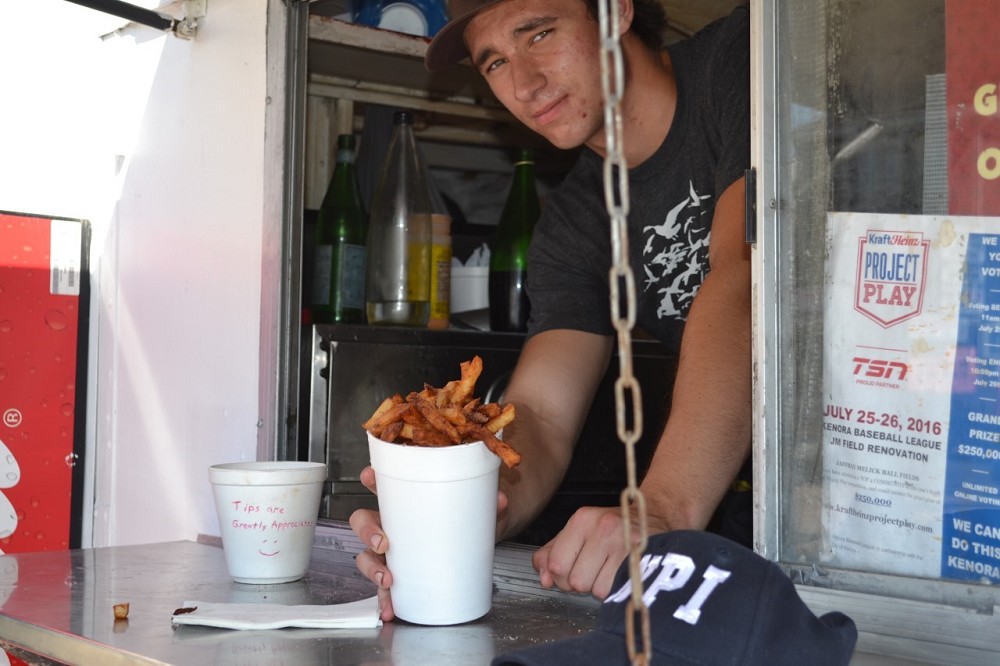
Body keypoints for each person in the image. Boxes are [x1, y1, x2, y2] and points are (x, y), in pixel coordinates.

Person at [350, 0, 751, 621]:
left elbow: (745, 277)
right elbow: (541, 414)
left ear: (616, 12)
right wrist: (467, 500)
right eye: (495, 63)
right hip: (752, 515)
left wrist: (661, 507)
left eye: (540, 34)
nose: (524, 84)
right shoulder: (574, 222)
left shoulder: (748, 60)